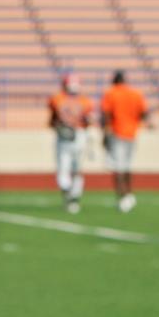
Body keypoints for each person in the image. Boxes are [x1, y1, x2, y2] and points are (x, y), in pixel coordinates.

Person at [100, 70, 148, 213]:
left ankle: (123, 197)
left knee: (118, 168)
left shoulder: (111, 93)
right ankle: (129, 194)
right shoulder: (136, 94)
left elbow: (106, 114)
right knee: (127, 166)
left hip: (117, 133)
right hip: (132, 134)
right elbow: (144, 113)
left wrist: (105, 132)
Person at [48, 72, 93, 213]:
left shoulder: (57, 99)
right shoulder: (85, 101)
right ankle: (74, 197)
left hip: (64, 137)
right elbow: (88, 121)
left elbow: (53, 120)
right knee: (77, 169)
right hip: (79, 135)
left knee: (63, 168)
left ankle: (68, 194)